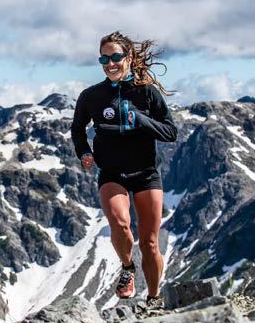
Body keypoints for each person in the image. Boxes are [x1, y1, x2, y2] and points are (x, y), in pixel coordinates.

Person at [70, 31, 177, 308]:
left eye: (115, 57)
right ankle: (127, 267)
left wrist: (140, 119)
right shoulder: (91, 96)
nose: (110, 63)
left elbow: (170, 132)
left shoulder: (147, 92)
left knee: (150, 243)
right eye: (103, 59)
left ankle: (153, 299)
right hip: (112, 173)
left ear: (128, 57)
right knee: (120, 223)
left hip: (146, 173)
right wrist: (84, 152)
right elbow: (77, 129)